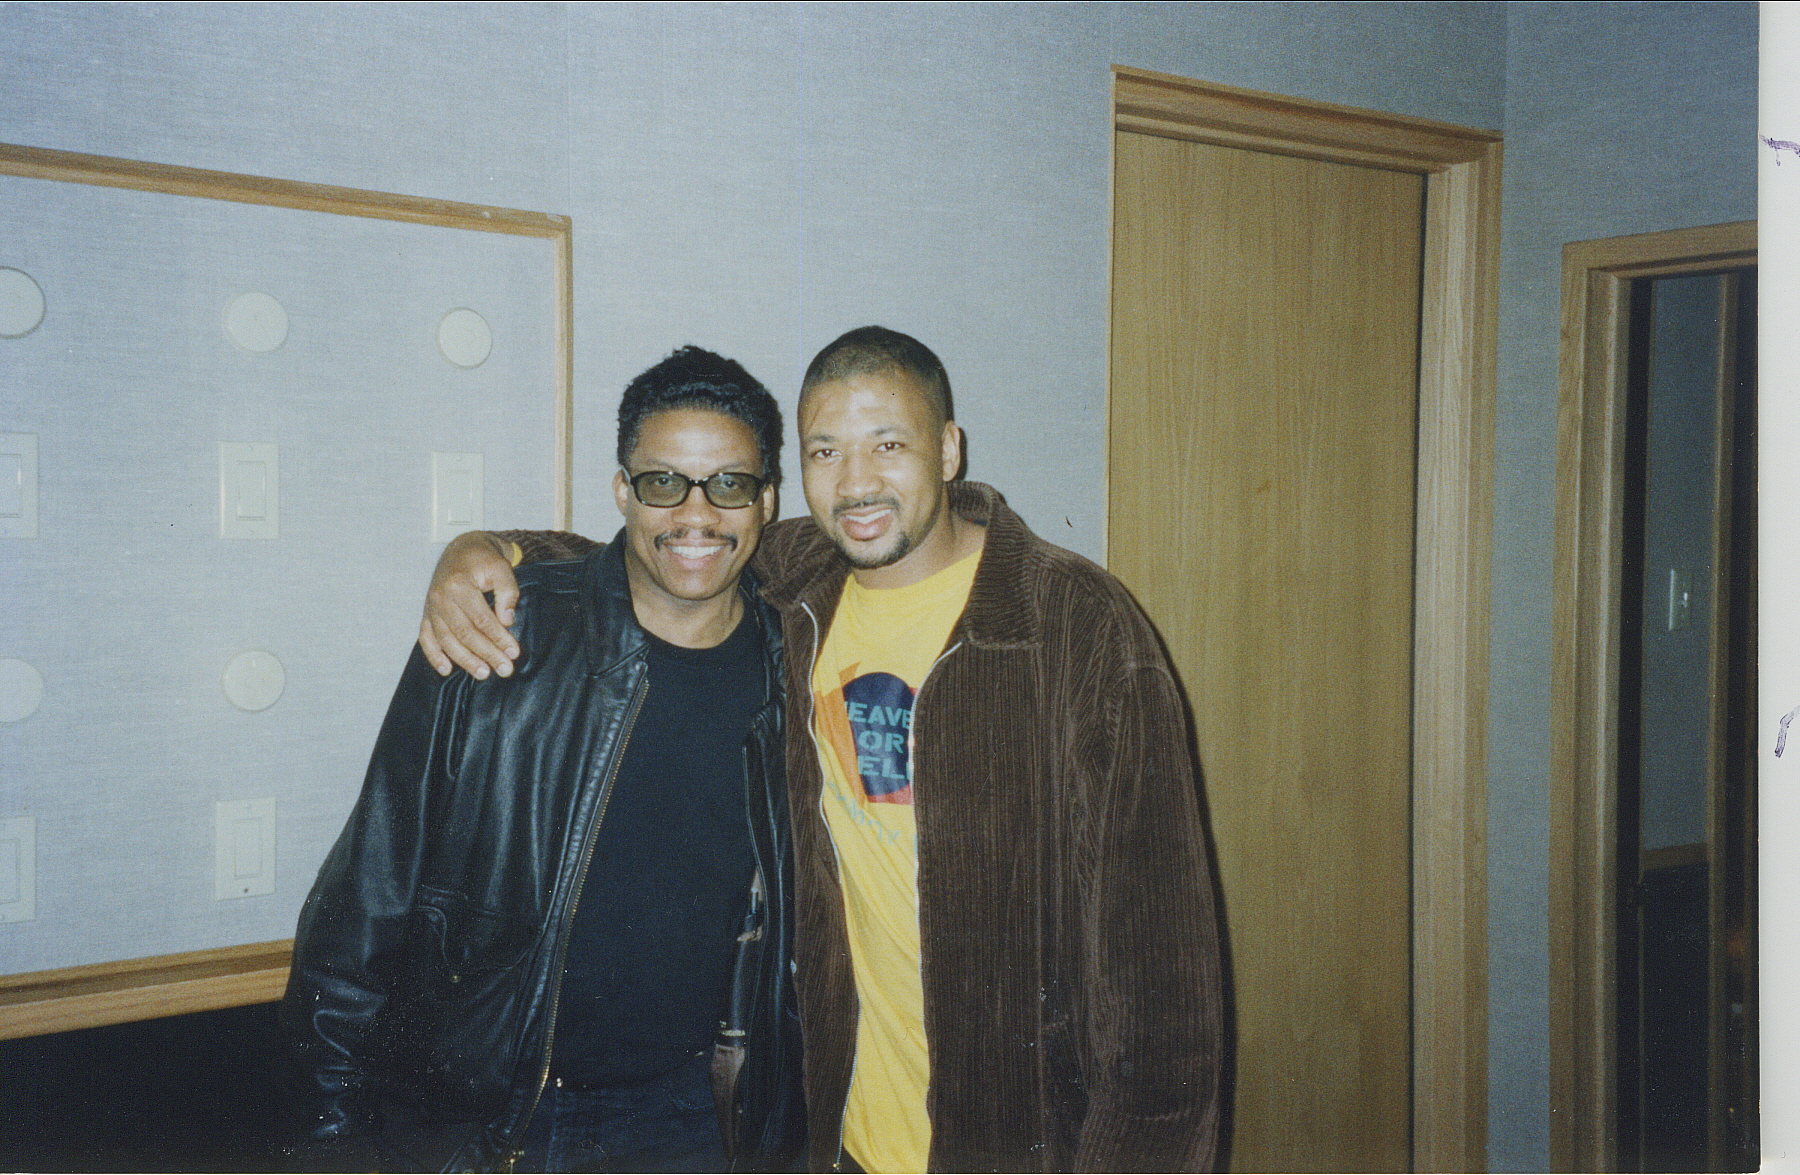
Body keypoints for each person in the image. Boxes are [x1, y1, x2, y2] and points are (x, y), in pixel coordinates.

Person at [421, 327, 1224, 1172]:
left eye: (889, 444)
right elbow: (665, 552)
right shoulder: (804, 582)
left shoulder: (1074, 626)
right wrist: (485, 552)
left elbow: (1163, 996)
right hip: (840, 1139)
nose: (858, 482)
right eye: (825, 451)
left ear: (948, 450)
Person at [281, 347, 806, 1173]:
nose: (696, 514)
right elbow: (368, 890)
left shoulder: (797, 667)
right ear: (622, 491)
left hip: (694, 1118)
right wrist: (330, 1130)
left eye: (729, 483)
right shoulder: (498, 635)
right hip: (492, 1113)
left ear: (767, 500)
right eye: (664, 481)